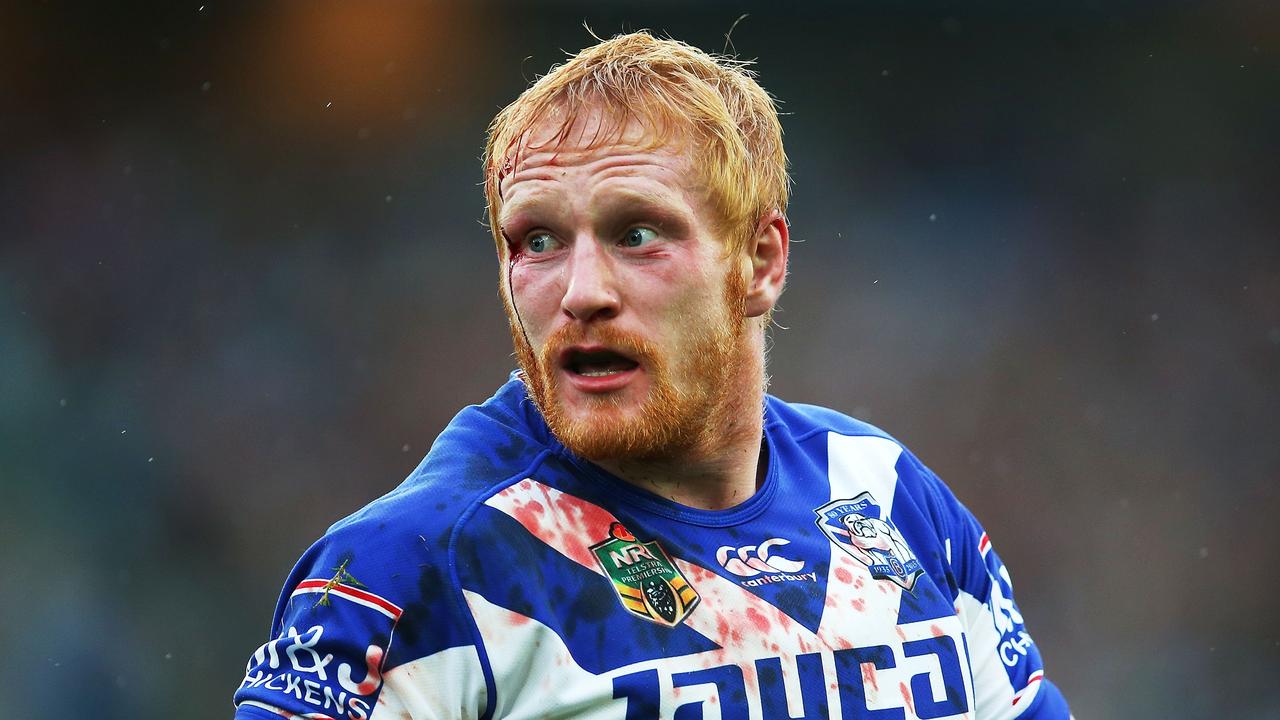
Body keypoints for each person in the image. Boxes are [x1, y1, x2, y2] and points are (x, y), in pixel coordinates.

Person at [232, 31, 1072, 720]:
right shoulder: (415, 566)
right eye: (536, 241)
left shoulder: (892, 496)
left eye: (637, 234)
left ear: (760, 262)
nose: (581, 292)